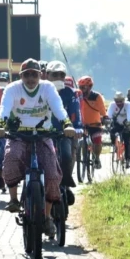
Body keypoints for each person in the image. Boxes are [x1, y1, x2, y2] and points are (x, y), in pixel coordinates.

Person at [0, 58, 75, 237]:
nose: (30, 78)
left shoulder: (48, 88)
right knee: (11, 156)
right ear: (21, 76)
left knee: (53, 174)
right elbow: (4, 110)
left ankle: (47, 217)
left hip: (42, 136)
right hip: (18, 135)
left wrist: (67, 125)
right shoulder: (12, 89)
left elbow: (58, 109)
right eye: (27, 75)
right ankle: (14, 199)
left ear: (41, 75)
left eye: (34, 74)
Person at [46, 61, 83, 204]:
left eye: (61, 75)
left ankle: (66, 184)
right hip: (44, 133)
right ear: (47, 75)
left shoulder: (70, 93)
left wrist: (77, 127)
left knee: (67, 156)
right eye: (54, 75)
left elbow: (76, 111)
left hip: (64, 133)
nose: (58, 78)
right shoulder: (42, 91)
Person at [77, 76, 107, 169]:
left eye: (83, 87)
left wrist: (105, 118)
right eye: (80, 87)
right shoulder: (78, 95)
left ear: (89, 87)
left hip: (95, 124)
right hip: (82, 124)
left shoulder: (97, 97)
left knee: (97, 142)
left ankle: (97, 158)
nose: (81, 90)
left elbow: (102, 111)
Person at [107, 91, 130, 168]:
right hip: (117, 123)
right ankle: (114, 145)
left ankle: (127, 159)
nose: (118, 103)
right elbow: (108, 115)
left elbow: (129, 116)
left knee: (127, 141)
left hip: (126, 124)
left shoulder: (128, 104)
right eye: (117, 101)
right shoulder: (112, 105)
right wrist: (107, 122)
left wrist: (128, 124)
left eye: (120, 101)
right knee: (112, 131)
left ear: (123, 100)